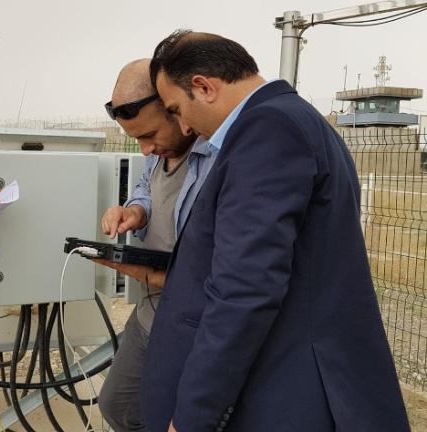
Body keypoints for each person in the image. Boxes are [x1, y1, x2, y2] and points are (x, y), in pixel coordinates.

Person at [141, 30, 410, 432]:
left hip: (283, 387)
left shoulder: (267, 130)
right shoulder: (294, 118)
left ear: (203, 86)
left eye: (177, 109)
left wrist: (195, 415)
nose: (183, 126)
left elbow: (245, 288)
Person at [97, 59, 197, 432]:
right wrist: (135, 211)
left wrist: (147, 275)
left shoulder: (214, 159)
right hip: (149, 312)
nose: (144, 149)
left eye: (149, 134)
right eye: (135, 138)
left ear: (174, 106)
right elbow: (145, 188)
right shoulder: (159, 155)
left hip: (184, 319)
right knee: (119, 405)